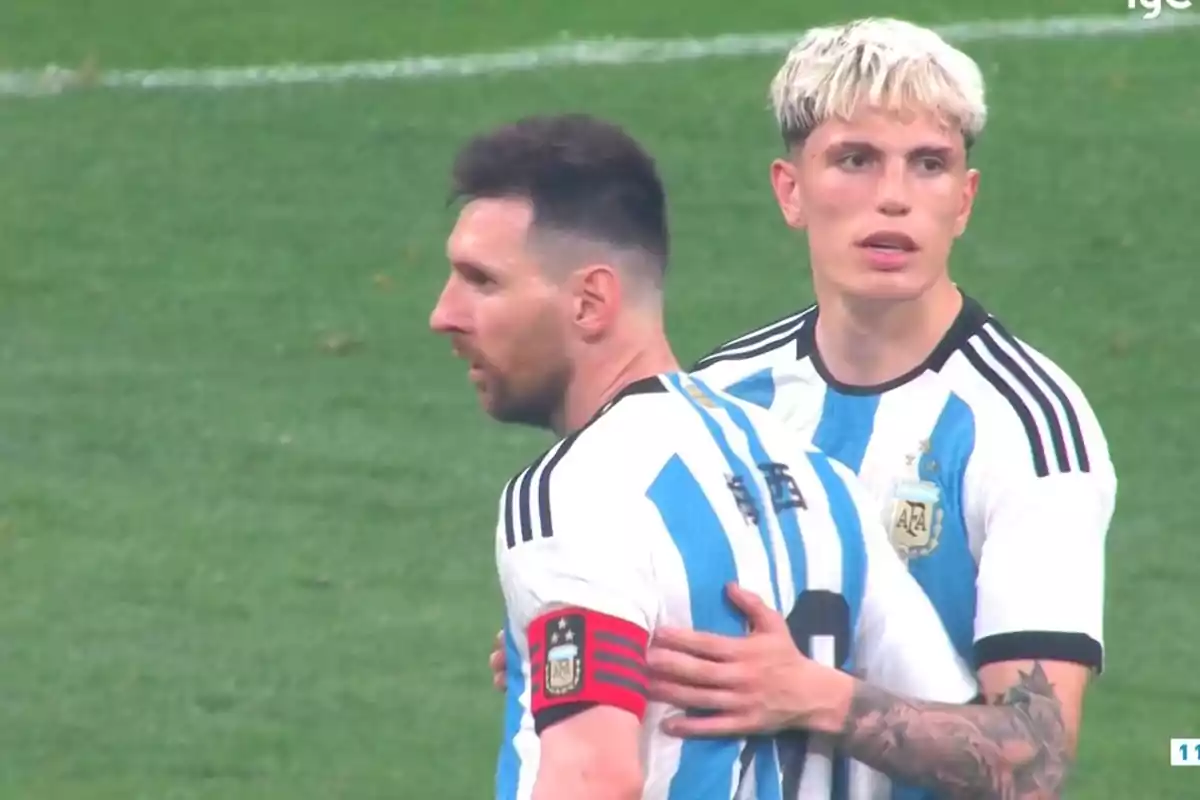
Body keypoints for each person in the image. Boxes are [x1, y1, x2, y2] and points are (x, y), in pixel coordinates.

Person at [487, 18, 1117, 799]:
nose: (893, 199)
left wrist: (819, 696)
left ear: (964, 199)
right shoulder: (725, 390)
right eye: (855, 160)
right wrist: (582, 640)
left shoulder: (1027, 426)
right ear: (791, 190)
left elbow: (1035, 763)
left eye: (929, 166)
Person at [433, 112, 978, 800]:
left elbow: (593, 777)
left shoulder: (574, 493)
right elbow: (978, 757)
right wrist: (829, 698)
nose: (444, 314)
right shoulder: (822, 482)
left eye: (481, 281)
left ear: (590, 300)